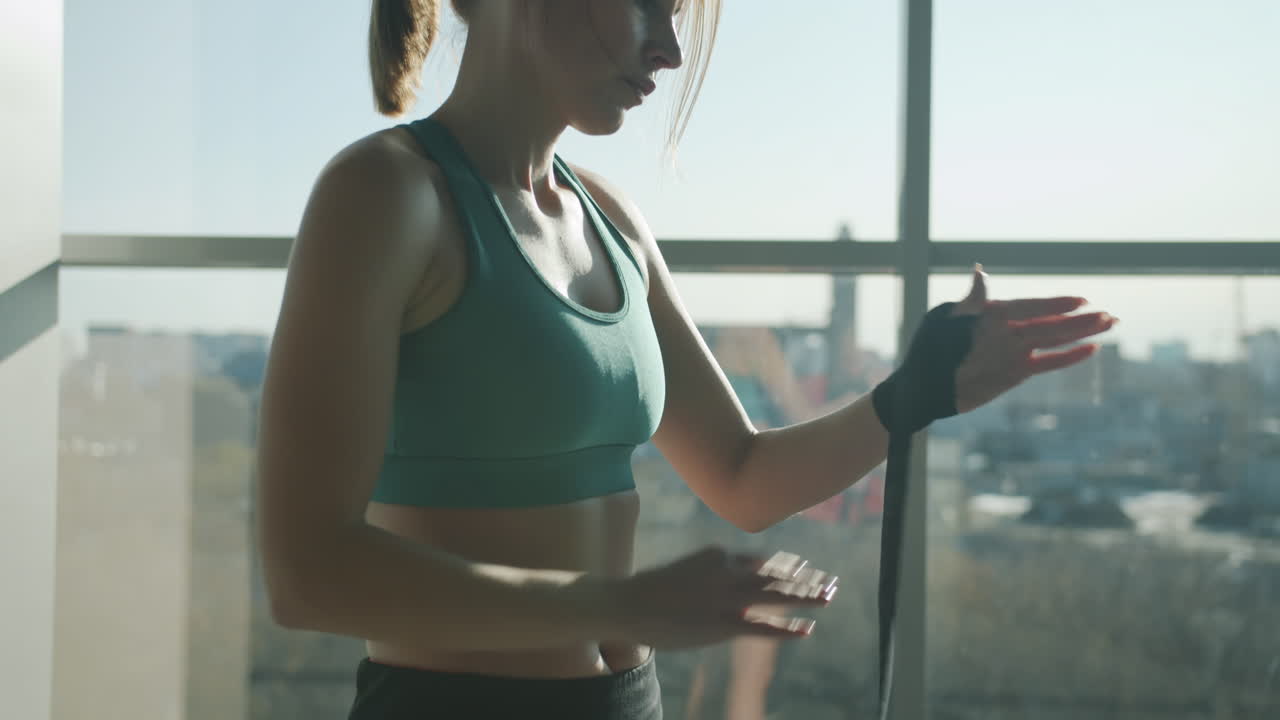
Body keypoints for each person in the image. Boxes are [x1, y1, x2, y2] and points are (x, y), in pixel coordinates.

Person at [252, 1, 1119, 718]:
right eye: (645, 7)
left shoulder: (611, 219)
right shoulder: (383, 195)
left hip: (632, 700)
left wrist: (915, 395)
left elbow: (742, 476)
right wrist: (624, 603)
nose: (667, 51)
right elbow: (308, 574)